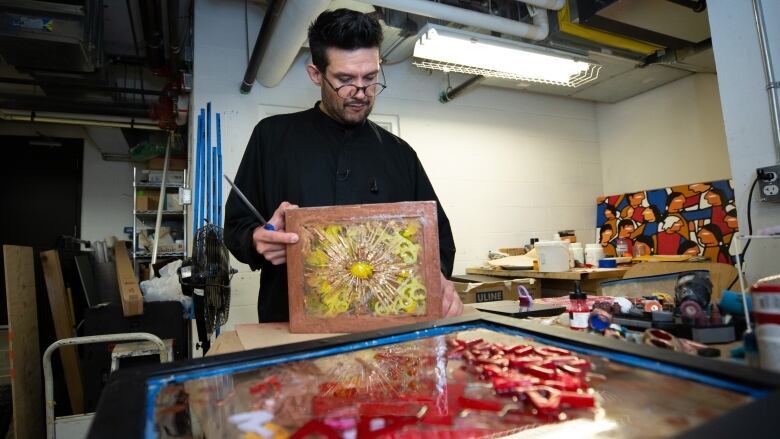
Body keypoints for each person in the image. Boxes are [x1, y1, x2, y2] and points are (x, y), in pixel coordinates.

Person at [224, 9, 462, 323]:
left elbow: (440, 240)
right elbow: (236, 226)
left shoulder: (400, 154)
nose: (361, 93)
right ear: (316, 74)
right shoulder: (271, 138)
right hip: (289, 331)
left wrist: (439, 277)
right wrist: (256, 239)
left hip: (384, 334)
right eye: (345, 80)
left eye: (371, 78)